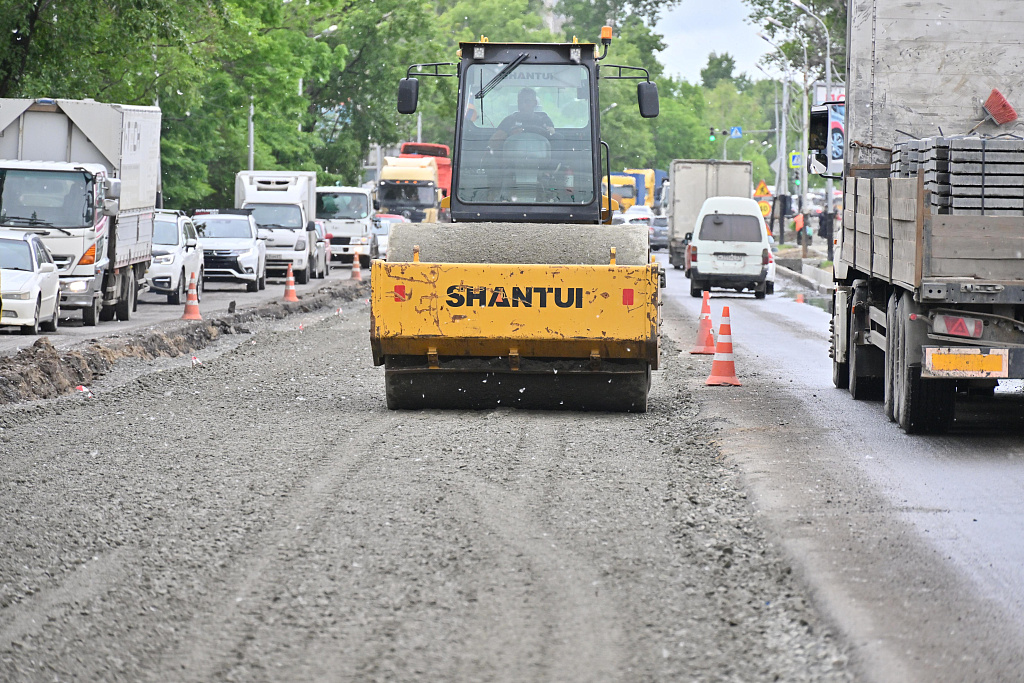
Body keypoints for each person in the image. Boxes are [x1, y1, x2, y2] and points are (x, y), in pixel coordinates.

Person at [489, 88, 555, 148]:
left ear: (535, 103)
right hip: (512, 160)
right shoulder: (508, 121)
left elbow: (553, 136)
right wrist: (509, 136)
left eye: (527, 101)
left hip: (541, 160)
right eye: (520, 102)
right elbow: (492, 143)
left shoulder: (544, 120)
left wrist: (545, 133)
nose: (523, 105)